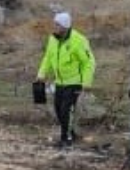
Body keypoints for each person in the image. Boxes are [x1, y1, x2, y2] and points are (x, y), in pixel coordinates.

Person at [37, 12, 95, 149]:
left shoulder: (78, 40)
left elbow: (89, 62)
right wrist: (42, 73)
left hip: (74, 82)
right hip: (59, 82)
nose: (54, 26)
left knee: (66, 110)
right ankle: (71, 133)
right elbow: (48, 57)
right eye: (55, 23)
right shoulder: (52, 39)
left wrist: (86, 82)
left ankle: (66, 140)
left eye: (57, 24)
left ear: (65, 26)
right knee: (58, 109)